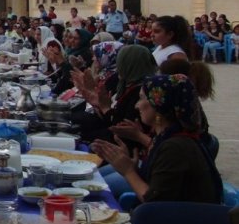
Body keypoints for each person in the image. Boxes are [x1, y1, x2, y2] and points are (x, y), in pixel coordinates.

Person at [92, 74, 222, 204]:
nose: (137, 105)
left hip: (185, 220)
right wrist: (133, 167)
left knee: (97, 190)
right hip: (177, 215)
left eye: (142, 98)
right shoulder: (168, 136)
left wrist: (128, 171)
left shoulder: (174, 147)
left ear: (158, 106)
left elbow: (154, 203)